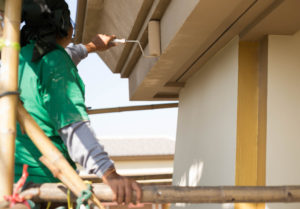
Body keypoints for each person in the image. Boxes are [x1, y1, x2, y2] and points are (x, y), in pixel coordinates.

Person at [16, 0, 141, 205]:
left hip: (13, 184)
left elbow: (68, 54)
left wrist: (92, 46)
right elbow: (71, 123)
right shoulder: (55, 61)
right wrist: (108, 173)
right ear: (63, 24)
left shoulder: (18, 60)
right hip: (43, 188)